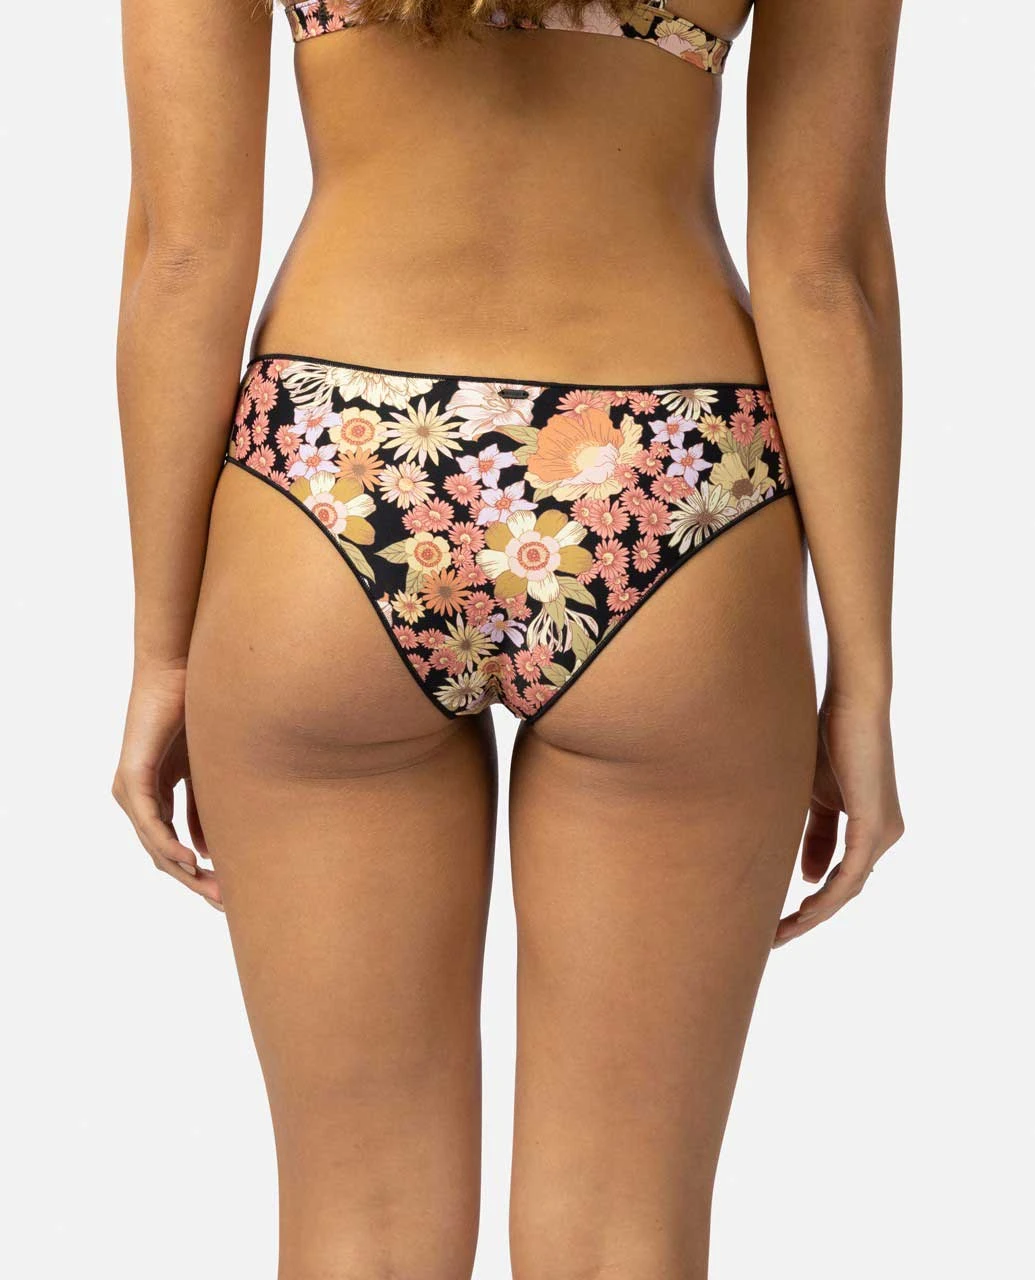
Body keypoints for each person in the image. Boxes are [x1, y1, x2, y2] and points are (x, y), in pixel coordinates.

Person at [113, 0, 905, 1274]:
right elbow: (826, 276)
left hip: (337, 468)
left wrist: (162, 650)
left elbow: (183, 258)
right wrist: (862, 674)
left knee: (359, 1232)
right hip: (669, 478)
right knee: (621, 1239)